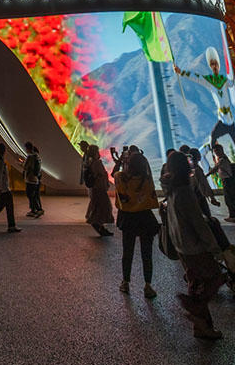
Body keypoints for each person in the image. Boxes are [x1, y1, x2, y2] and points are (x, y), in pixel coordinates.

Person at [162, 151, 226, 338]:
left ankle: (203, 327)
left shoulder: (170, 189)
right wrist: (214, 247)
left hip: (180, 244)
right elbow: (198, 223)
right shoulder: (184, 191)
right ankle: (195, 310)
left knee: (196, 281)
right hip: (194, 246)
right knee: (215, 278)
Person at [115, 150, 159, 298]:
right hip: (145, 218)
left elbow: (115, 173)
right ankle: (148, 285)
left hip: (128, 219)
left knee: (127, 252)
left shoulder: (121, 178)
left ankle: (125, 282)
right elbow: (152, 198)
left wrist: (121, 161)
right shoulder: (147, 180)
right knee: (147, 254)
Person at [207, 143, 235, 223]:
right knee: (228, 200)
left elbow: (215, 169)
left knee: (232, 200)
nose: (216, 152)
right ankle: (233, 216)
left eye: (217, 150)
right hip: (227, 181)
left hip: (228, 181)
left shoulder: (222, 159)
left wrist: (206, 175)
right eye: (215, 151)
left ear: (221, 150)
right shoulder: (222, 159)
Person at [82, 145, 114, 237]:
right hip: (99, 188)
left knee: (97, 206)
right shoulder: (97, 163)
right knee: (103, 207)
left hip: (95, 188)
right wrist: (105, 184)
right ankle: (98, 224)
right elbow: (101, 175)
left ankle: (100, 227)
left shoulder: (89, 162)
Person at [23, 141, 44, 218]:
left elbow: (25, 167)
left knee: (30, 194)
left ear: (27, 148)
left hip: (30, 178)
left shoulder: (30, 157)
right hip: (36, 179)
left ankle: (37, 209)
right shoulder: (37, 156)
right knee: (34, 195)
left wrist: (22, 163)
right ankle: (35, 209)